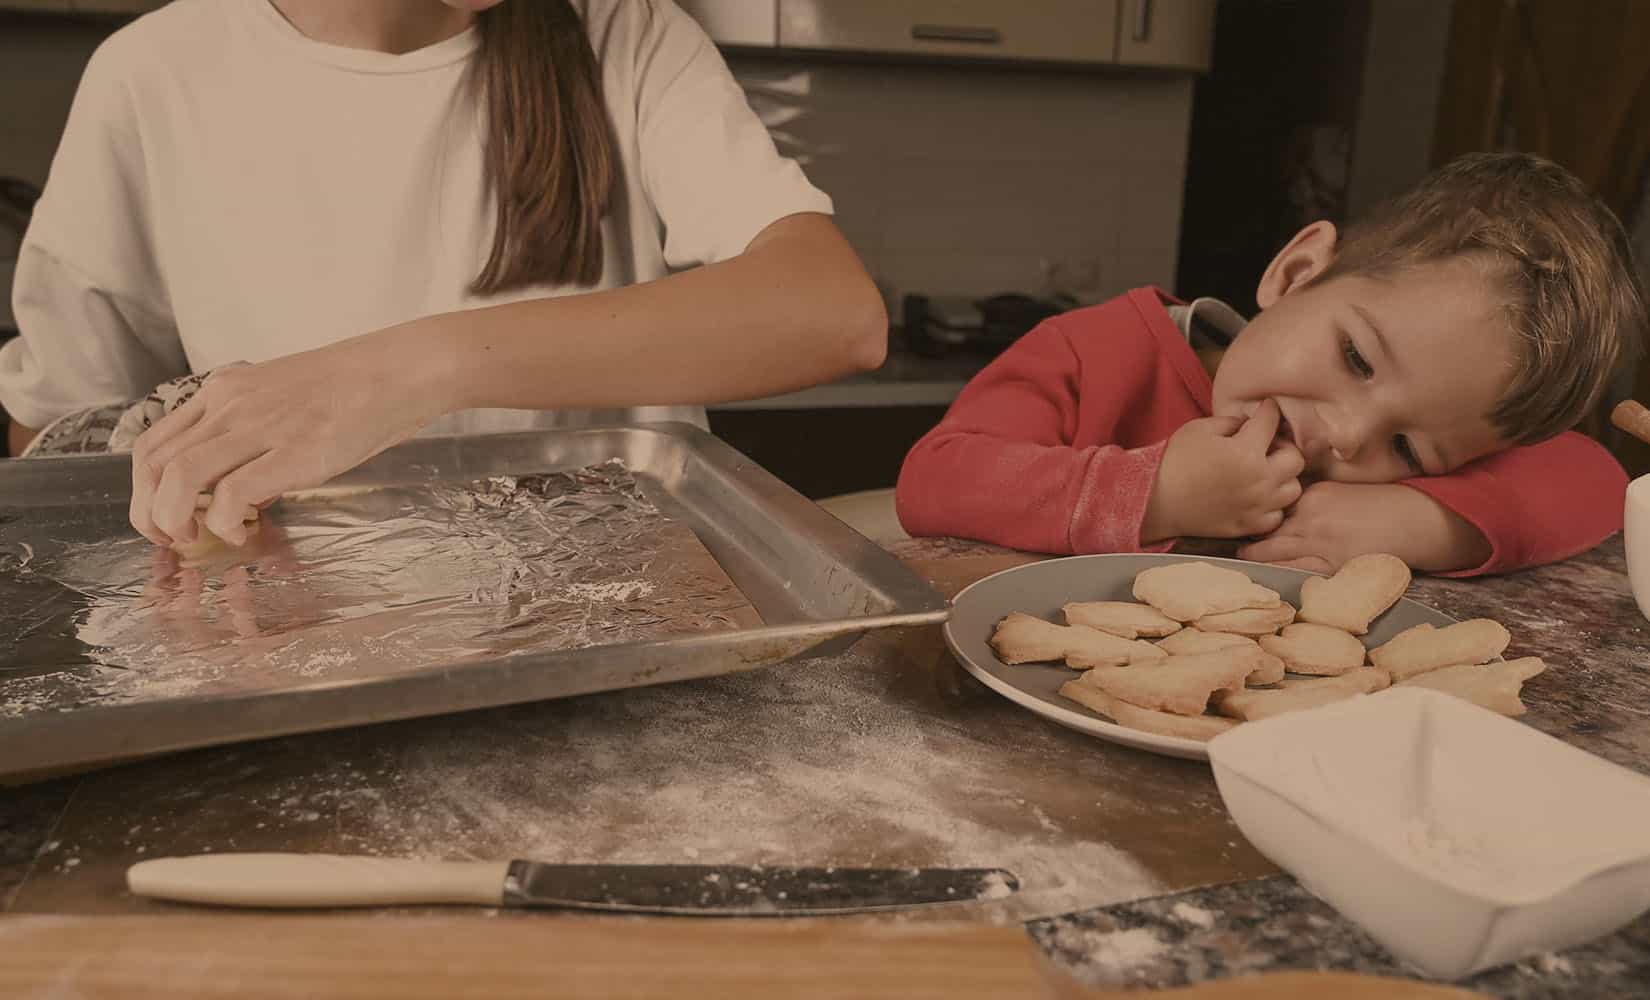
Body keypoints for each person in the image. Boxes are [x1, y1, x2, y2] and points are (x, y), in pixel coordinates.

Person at [0, 0, 887, 549]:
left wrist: (406, 373)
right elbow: (56, 442)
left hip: (625, 640)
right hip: (287, 656)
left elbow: (834, 314)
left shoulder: (627, 33)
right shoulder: (152, 75)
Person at [895, 153, 1647, 576]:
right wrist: (1154, 494)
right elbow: (935, 481)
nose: (1350, 436)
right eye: (1356, 358)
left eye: (1408, 448)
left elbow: (1594, 478)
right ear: (1295, 273)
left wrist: (1421, 521)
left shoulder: (1376, 467)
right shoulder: (1092, 353)